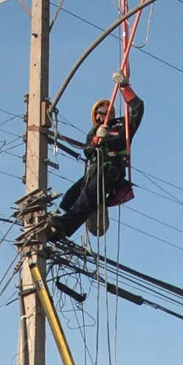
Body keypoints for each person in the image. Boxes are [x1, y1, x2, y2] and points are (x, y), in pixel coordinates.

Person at [48, 71, 144, 241]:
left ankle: (64, 225)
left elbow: (138, 109)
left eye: (109, 109)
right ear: (97, 116)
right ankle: (56, 219)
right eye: (102, 110)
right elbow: (88, 151)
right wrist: (96, 139)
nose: (107, 112)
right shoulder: (93, 132)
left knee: (87, 199)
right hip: (94, 171)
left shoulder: (123, 125)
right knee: (71, 195)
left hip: (111, 170)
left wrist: (125, 87)